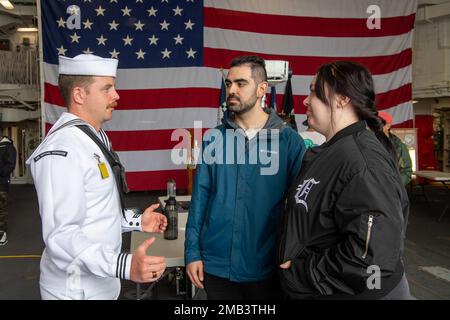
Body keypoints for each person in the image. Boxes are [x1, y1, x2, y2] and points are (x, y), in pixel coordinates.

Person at [26, 54, 168, 300]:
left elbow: (96, 211)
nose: (116, 95)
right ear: (79, 95)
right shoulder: (63, 149)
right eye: (107, 88)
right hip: (75, 290)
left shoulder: (92, 139)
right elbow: (61, 236)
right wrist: (124, 265)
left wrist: (137, 222)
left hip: (101, 284)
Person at [278, 61, 411, 299]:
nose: (306, 100)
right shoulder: (334, 150)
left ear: (341, 99)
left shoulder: (362, 160)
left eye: (313, 90)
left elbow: (372, 259)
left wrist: (301, 273)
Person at [185, 55, 306, 300]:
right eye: (229, 84)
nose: (232, 90)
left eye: (241, 84)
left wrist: (297, 253)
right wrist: (192, 252)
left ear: (262, 88)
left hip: (267, 265)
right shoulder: (214, 139)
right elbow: (200, 200)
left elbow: (303, 205)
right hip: (216, 264)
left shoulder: (288, 141)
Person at [378, 111, 413, 186]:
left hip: (391, 191)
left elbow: (406, 171)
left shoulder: (399, 147)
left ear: (388, 125)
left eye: (378, 124)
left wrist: (394, 185)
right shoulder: (368, 143)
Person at [0, 134, 17, 246]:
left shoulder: (8, 146)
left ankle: (2, 233)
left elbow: (10, 165)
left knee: (1, 209)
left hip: (1, 184)